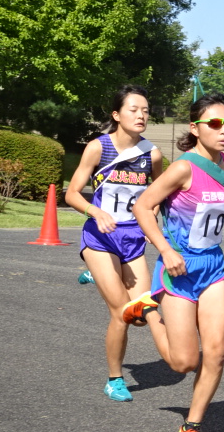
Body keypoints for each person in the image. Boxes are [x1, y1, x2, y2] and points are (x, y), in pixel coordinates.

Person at [130, 92, 224, 432]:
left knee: (216, 352)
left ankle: (191, 428)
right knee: (184, 363)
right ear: (195, 128)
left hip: (212, 268)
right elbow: (143, 207)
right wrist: (164, 249)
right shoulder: (183, 168)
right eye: (215, 124)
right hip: (179, 269)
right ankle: (148, 310)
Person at [65, 84, 163, 402]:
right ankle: (114, 379)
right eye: (134, 109)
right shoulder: (99, 148)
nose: (141, 115)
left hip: (133, 239)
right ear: (117, 115)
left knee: (141, 313)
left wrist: (152, 225)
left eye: (145, 110)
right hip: (100, 237)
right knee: (121, 311)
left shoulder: (152, 153)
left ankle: (99, 274)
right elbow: (71, 193)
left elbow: (156, 197)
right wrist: (95, 211)